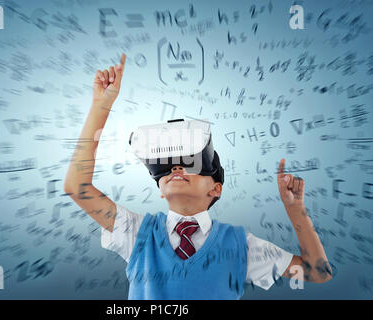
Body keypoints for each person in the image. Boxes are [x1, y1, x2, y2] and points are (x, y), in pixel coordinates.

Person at [63, 53, 332, 299]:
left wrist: (296, 211)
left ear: (216, 189)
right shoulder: (135, 232)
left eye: (190, 165)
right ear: (159, 188)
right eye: (168, 168)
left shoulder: (240, 247)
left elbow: (317, 272)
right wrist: (102, 105)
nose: (176, 169)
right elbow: (77, 186)